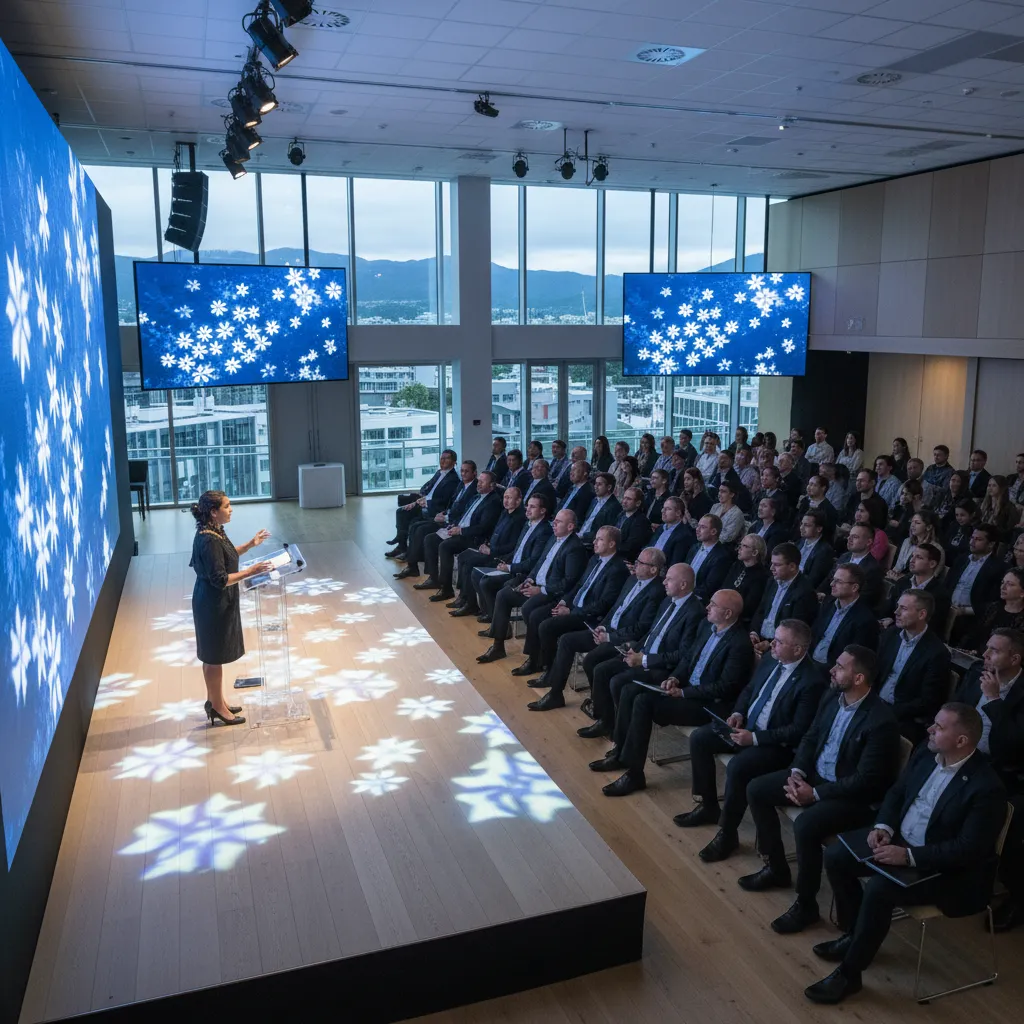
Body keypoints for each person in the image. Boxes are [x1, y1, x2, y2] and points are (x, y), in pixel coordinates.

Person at [807, 703, 1006, 1004]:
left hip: (945, 869)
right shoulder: (927, 754)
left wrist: (909, 857)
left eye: (939, 727)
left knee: (879, 889)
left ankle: (850, 975)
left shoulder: (986, 788)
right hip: (900, 840)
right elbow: (898, 793)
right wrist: (884, 825)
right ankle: (854, 934)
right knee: (837, 858)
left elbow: (968, 849)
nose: (929, 729)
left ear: (962, 741)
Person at [741, 646, 901, 936]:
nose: (831, 669)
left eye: (840, 667)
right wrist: (796, 773)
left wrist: (814, 795)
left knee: (806, 825)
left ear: (858, 678)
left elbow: (866, 780)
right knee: (757, 789)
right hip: (814, 776)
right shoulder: (831, 697)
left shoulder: (881, 721)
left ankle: (806, 904)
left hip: (850, 797)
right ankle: (777, 867)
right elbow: (811, 737)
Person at [677, 620, 828, 863]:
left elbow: (798, 731)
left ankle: (727, 834)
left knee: (739, 767)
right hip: (748, 726)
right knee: (701, 738)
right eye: (775, 639)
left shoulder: (812, 681)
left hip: (776, 745)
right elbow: (749, 691)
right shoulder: (770, 660)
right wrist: (738, 713)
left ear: (798, 649)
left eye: (779, 642)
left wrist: (755, 738)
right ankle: (708, 805)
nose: (773, 645)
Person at [593, 590, 755, 797]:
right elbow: (688, 659)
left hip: (708, 704)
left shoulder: (740, 644)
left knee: (643, 702)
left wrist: (684, 692)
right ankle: (622, 754)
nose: (707, 607)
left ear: (728, 613)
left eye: (713, 605)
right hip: (687, 689)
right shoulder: (708, 627)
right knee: (632, 692)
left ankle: (633, 773)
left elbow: (725, 687)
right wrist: (675, 678)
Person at [526, 547, 667, 712]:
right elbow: (615, 608)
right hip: (606, 630)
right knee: (566, 640)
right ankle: (555, 694)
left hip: (622, 640)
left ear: (653, 569)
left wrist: (609, 637)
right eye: (636, 561)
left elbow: (642, 628)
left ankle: (599, 706)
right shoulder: (632, 580)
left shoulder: (657, 592)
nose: (635, 565)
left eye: (640, 563)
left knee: (591, 661)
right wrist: (602, 626)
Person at [577, 563, 705, 739]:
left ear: (683, 585)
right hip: (642, 655)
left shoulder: (695, 612)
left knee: (618, 682)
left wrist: (644, 660)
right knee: (601, 669)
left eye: (669, 579)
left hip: (661, 668)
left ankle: (619, 733)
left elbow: (682, 655)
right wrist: (633, 651)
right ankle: (606, 722)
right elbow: (651, 632)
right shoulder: (668, 601)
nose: (664, 582)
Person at [953, 628, 1024, 933]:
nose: (985, 654)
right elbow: (957, 713)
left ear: (1015, 658)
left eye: (994, 651)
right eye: (987, 648)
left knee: (1009, 824)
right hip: (968, 758)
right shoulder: (974, 674)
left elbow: (1015, 748)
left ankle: (1018, 896)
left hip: (1009, 773)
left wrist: (995, 701)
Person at [189, 491, 273, 727]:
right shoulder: (208, 538)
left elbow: (225, 555)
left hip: (215, 602)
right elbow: (220, 578)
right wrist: (251, 571)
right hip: (212, 604)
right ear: (214, 512)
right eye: (227, 506)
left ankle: (217, 701)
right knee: (213, 658)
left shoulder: (213, 531)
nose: (231, 509)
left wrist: (250, 544)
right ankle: (217, 707)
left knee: (213, 657)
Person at [513, 525, 629, 682]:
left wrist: (571, 612)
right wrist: (564, 601)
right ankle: (537, 661)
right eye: (595, 538)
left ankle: (549, 671)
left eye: (600, 539)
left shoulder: (618, 569)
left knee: (547, 626)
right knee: (536, 615)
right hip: (573, 606)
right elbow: (580, 584)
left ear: (611, 544)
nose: (594, 542)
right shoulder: (595, 559)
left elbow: (603, 604)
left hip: (588, 616)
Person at [478, 508, 586, 664]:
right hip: (536, 585)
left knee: (529, 608)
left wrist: (540, 590)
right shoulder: (553, 538)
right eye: (554, 520)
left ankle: (533, 658)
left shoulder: (575, 548)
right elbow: (539, 563)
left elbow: (569, 581)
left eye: (559, 522)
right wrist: (529, 579)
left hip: (551, 592)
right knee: (504, 595)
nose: (554, 524)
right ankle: (498, 646)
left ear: (570, 527)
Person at [875, 591, 951, 743]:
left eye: (903, 608)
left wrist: (889, 711)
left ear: (922, 614)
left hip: (902, 717)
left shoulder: (937, 653)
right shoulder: (890, 635)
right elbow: (875, 671)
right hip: (875, 703)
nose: (896, 612)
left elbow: (928, 701)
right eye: (897, 607)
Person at [418, 470, 504, 602]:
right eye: (479, 481)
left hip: (473, 538)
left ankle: (446, 589)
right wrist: (453, 525)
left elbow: (483, 528)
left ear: (492, 485)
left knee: (445, 546)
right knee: (431, 539)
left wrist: (461, 531)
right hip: (459, 530)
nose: (478, 484)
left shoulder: (493, 502)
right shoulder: (476, 497)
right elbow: (463, 516)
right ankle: (433, 578)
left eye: (482, 482)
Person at [472, 495, 552, 622]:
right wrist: (504, 561)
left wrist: (509, 567)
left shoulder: (544, 530)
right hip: (511, 565)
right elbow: (518, 549)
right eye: (527, 506)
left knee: (487, 582)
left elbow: (533, 561)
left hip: (523, 573)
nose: (528, 509)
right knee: (476, 573)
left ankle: (496, 621)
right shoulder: (528, 524)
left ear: (543, 510)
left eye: (533, 507)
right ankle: (489, 613)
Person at [448, 486, 525, 617]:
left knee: (470, 564)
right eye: (505, 497)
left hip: (500, 556)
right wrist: (487, 544)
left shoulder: (520, 519)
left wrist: (491, 550)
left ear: (518, 501)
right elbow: (495, 533)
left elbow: (513, 546)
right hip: (491, 549)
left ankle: (471, 604)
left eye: (510, 498)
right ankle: (464, 596)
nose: (505, 501)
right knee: (463, 556)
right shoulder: (505, 512)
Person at [395, 460, 478, 580]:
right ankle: (412, 565)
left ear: (474, 473)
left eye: (467, 471)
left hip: (453, 523)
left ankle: (431, 576)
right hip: (445, 517)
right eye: (462, 471)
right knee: (415, 526)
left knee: (422, 531)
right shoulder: (461, 485)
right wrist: (444, 513)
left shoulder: (473, 489)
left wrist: (446, 517)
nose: (464, 474)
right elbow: (451, 504)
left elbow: (464, 512)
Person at [387, 449, 459, 557]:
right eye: (441, 458)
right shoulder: (439, 473)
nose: (443, 460)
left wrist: (426, 501)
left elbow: (444, 500)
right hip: (424, 502)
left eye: (446, 458)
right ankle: (401, 544)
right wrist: (422, 498)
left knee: (411, 520)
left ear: (454, 462)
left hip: (433, 508)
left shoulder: (453, 479)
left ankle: (405, 546)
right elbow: (425, 487)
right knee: (401, 511)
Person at [749, 543, 820, 652]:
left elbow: (795, 630)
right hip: (760, 638)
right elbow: (761, 610)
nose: (771, 568)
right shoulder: (772, 581)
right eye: (772, 563)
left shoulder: (805, 592)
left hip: (780, 646)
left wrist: (769, 644)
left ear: (792, 566)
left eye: (777, 565)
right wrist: (754, 633)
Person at [811, 563, 879, 669]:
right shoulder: (828, 603)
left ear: (854, 587)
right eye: (833, 580)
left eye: (838, 581)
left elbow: (854, 659)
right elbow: (814, 633)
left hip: (832, 671)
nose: (832, 584)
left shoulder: (865, 620)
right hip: (811, 661)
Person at [878, 542, 949, 634]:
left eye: (919, 557)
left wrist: (893, 625)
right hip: (891, 631)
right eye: (912, 556)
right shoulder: (903, 582)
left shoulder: (940, 594)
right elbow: (888, 608)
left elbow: (931, 627)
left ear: (932, 564)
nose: (912, 560)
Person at [946, 523, 1004, 628]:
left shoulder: (998, 568)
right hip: (947, 610)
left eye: (978, 539)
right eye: (972, 538)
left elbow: (993, 602)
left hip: (972, 617)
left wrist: (965, 611)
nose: (972, 542)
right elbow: (947, 584)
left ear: (991, 544)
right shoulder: (961, 559)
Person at [968, 568, 1024, 653]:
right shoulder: (994, 607)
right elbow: (978, 634)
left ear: (1022, 593)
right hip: (980, 654)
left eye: (1010, 584)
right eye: (1002, 582)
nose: (1003, 587)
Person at [722, 533, 771, 625]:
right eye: (740, 545)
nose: (739, 549)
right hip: (723, 610)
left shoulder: (762, 576)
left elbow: (749, 606)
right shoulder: (737, 565)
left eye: (744, 546)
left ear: (755, 552)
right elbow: (724, 587)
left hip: (739, 620)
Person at [686, 514, 736, 601]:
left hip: (698, 600)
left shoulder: (722, 557)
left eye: (703, 527)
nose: (697, 529)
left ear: (713, 532)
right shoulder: (694, 547)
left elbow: (709, 588)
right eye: (698, 526)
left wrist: (686, 593)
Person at [889, 509, 941, 576]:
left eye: (917, 523)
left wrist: (901, 577)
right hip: (898, 579)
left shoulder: (936, 549)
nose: (912, 525)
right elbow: (898, 567)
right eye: (912, 522)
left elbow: (931, 577)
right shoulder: (907, 541)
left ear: (928, 527)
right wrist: (892, 573)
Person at [648, 495, 695, 566]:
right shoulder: (660, 528)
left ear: (678, 513)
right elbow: (649, 547)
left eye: (668, 509)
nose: (662, 511)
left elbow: (674, 564)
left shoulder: (684, 535)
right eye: (663, 508)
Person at [578, 472, 622, 545]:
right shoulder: (594, 500)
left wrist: (582, 536)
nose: (595, 486)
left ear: (609, 487)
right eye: (595, 483)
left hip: (591, 543)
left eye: (599, 484)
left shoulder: (614, 507)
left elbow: (605, 533)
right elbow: (586, 521)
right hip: (580, 535)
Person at [796, 510, 836, 591]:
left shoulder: (825, 551)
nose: (801, 528)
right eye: (801, 524)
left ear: (819, 529)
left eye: (806, 525)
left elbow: (813, 580)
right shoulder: (800, 542)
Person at [612, 486, 653, 561]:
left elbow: (630, 547)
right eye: (624, 498)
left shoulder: (641, 522)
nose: (624, 501)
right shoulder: (621, 514)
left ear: (638, 503)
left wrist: (610, 548)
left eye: (629, 499)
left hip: (625, 559)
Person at [794, 475, 837, 543]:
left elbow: (828, 534)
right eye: (809, 484)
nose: (808, 487)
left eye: (813, 485)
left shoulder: (829, 509)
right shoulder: (805, 501)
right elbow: (796, 522)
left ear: (823, 488)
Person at [980, 474, 1020, 540]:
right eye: (989, 485)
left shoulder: (1008, 507)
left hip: (998, 539)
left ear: (1002, 488)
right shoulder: (985, 504)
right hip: (982, 536)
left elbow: (1009, 529)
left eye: (994, 485)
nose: (990, 488)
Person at [886, 479, 924, 543]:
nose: (903, 497)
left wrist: (899, 526)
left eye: (907, 494)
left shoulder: (917, 512)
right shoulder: (898, 506)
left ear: (915, 497)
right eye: (903, 493)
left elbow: (911, 532)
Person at [942, 496, 977, 565]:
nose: (959, 518)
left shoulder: (975, 531)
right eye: (957, 515)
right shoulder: (954, 525)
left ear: (972, 514)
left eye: (962, 515)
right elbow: (945, 542)